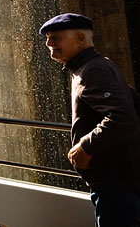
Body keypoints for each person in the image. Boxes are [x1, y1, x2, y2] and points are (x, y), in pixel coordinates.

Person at [41, 12, 140, 226]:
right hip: (119, 181)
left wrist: (85, 147)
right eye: (48, 38)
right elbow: (134, 104)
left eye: (56, 37)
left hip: (115, 185)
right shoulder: (95, 65)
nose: (49, 43)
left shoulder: (92, 70)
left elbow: (122, 116)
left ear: (80, 39)